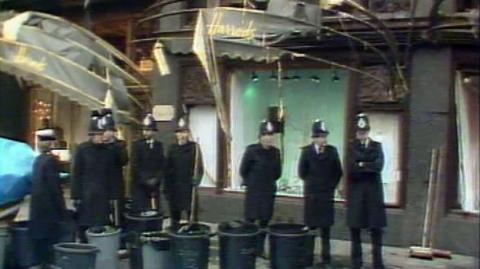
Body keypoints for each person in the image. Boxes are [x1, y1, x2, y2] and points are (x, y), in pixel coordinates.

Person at [298, 119, 343, 268]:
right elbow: (302, 172)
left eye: (324, 136)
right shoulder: (306, 152)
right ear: (314, 138)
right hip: (312, 196)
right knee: (311, 229)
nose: (322, 139)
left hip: (326, 196)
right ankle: (307, 259)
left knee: (326, 230)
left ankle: (326, 259)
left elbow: (338, 172)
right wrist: (312, 185)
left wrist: (330, 187)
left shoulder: (332, 151)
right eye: (319, 136)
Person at [347, 113, 387, 269]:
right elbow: (351, 168)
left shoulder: (377, 146)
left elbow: (378, 167)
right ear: (356, 133)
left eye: (364, 132)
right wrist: (364, 166)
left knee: (376, 230)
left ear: (368, 131)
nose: (361, 135)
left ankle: (378, 263)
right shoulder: (352, 146)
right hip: (357, 195)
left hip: (373, 195)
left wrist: (362, 165)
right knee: (355, 230)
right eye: (359, 132)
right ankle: (356, 263)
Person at [240, 120, 282, 257]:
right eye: (266, 135)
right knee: (250, 221)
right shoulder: (252, 150)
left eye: (271, 135)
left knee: (264, 221)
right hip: (254, 191)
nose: (269, 138)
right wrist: (251, 182)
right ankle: (248, 247)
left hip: (268, 191)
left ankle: (260, 249)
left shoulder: (276, 152)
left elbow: (278, 173)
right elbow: (243, 170)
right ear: (260, 137)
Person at [71, 111, 115, 242]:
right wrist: (76, 196)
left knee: (100, 224)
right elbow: (76, 173)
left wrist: (112, 196)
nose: (102, 137)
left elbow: (110, 174)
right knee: (85, 224)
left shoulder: (108, 151)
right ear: (92, 135)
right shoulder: (82, 149)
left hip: (102, 194)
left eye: (103, 134)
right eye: (99, 134)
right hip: (86, 194)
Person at [29, 126, 67, 269]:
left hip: (37, 208)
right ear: (52, 143)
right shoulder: (51, 161)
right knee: (49, 248)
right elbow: (54, 189)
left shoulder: (38, 160)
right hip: (48, 210)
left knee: (39, 246)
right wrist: (62, 210)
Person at [164, 118, 204, 229]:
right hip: (175, 187)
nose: (182, 135)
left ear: (188, 133)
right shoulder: (172, 148)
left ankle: (192, 234)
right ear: (176, 134)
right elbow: (167, 169)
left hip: (189, 186)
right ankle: (175, 235)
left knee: (191, 215)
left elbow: (200, 167)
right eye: (180, 132)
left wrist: (198, 179)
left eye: (184, 132)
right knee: (175, 216)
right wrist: (166, 188)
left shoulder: (194, 147)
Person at [131, 113, 165, 213]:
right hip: (141, 185)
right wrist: (146, 180)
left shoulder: (159, 146)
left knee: (154, 211)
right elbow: (135, 165)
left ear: (154, 131)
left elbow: (162, 164)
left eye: (149, 130)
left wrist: (156, 179)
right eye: (144, 130)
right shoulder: (137, 145)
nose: (146, 133)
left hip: (154, 184)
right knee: (142, 210)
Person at [100, 108, 128, 226]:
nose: (105, 133)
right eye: (103, 131)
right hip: (100, 186)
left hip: (115, 185)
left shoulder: (119, 145)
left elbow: (124, 161)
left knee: (117, 215)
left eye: (108, 131)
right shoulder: (97, 146)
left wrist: (113, 145)